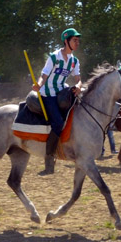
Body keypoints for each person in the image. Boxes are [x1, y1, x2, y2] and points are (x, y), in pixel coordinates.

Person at [32, 27, 83, 175]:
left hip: (62, 92)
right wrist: (39, 84)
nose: (77, 43)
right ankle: (49, 158)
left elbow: (78, 79)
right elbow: (44, 75)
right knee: (58, 123)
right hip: (48, 94)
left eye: (78, 40)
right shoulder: (54, 57)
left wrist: (79, 87)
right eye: (75, 40)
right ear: (66, 41)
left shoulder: (74, 61)